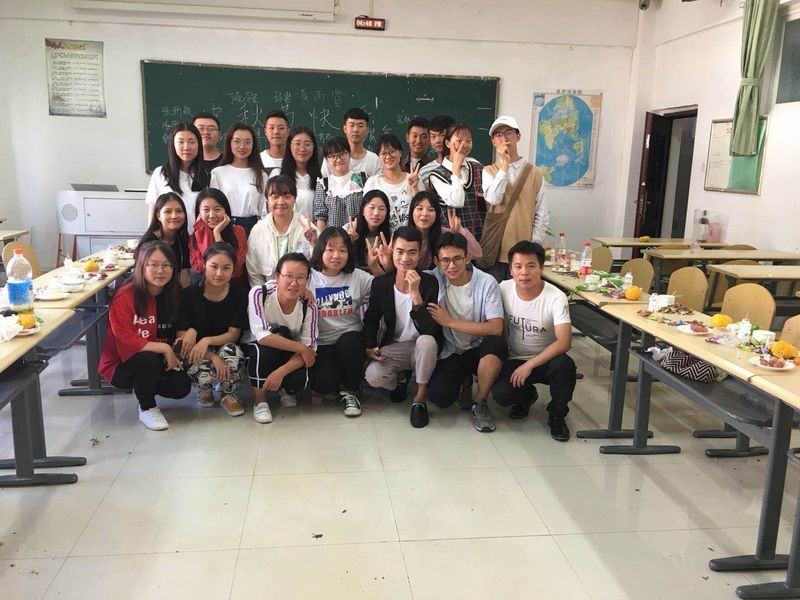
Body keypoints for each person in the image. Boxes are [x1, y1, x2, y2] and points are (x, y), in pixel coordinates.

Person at [98, 240, 191, 431]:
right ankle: (147, 406)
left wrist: (190, 332)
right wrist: (164, 348)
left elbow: (184, 323)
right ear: (142, 266)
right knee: (147, 359)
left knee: (180, 388)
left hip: (160, 359)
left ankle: (144, 386)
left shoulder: (174, 293)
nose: (160, 271)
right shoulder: (126, 296)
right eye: (153, 265)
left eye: (166, 265)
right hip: (122, 365)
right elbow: (124, 338)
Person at [491, 241, 576, 442]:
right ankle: (527, 395)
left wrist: (530, 364)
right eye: (518, 266)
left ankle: (557, 414)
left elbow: (564, 342)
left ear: (541, 268)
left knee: (565, 366)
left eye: (531, 266)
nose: (524, 272)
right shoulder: (503, 289)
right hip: (515, 358)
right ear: (510, 269)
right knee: (501, 395)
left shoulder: (556, 297)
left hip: (546, 360)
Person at [425, 232, 507, 432]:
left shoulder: (486, 282)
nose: (451, 266)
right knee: (439, 397)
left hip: (481, 348)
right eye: (445, 260)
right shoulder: (433, 278)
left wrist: (449, 322)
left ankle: (480, 401)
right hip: (453, 350)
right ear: (436, 261)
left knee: (495, 344)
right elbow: (404, 274)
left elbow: (496, 328)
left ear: (467, 257)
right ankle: (465, 383)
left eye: (457, 259)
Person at [363, 226, 442, 429]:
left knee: (426, 341)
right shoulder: (381, 284)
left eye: (412, 252)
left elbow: (429, 330)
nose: (405, 258)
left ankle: (419, 399)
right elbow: (371, 319)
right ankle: (400, 380)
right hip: (395, 347)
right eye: (400, 251)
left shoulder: (429, 282)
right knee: (373, 376)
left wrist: (416, 295)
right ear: (392, 251)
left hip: (422, 346)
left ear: (420, 253)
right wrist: (369, 346)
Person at [175, 243, 248, 417]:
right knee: (196, 361)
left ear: (233, 269)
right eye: (214, 266)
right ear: (204, 264)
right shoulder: (187, 295)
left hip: (224, 345)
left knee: (233, 352)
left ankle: (228, 393)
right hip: (197, 350)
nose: (219, 273)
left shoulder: (239, 295)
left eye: (226, 268)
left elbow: (233, 334)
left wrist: (207, 340)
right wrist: (213, 357)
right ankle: (204, 389)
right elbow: (182, 340)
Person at [245, 252, 318, 424]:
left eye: (300, 277)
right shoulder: (259, 293)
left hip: (289, 353)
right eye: (288, 276)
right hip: (260, 348)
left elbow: (310, 350)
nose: (294, 283)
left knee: (298, 380)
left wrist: (281, 372)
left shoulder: (309, 307)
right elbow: (262, 336)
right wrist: (301, 348)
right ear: (277, 276)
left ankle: (285, 389)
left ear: (307, 280)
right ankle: (260, 401)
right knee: (264, 351)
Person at [307, 228, 373, 417]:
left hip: (350, 338)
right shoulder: (309, 276)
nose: (336, 255)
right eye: (330, 249)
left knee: (351, 342)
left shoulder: (358, 276)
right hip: (321, 342)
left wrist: (375, 266)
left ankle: (351, 391)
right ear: (320, 250)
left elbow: (384, 287)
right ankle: (336, 381)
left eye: (342, 250)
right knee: (325, 383)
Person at [481, 116, 549, 281]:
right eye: (498, 135)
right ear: (493, 142)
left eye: (509, 133)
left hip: (523, 254)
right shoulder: (489, 171)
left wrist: (533, 247)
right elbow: (493, 198)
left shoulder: (535, 174)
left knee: (521, 295)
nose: (504, 138)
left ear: (518, 136)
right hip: (496, 250)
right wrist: (505, 164)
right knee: (495, 294)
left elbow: (541, 214)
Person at [246, 175, 317, 286]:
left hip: (302, 292)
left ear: (295, 198)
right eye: (275, 197)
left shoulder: (309, 229)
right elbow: (253, 273)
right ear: (267, 199)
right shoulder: (258, 230)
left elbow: (317, 270)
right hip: (267, 293)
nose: (281, 202)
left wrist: (314, 244)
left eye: (287, 196)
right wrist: (265, 294)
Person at [428, 122, 487, 241]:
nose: (464, 145)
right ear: (447, 143)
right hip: (453, 242)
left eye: (468, 140)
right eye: (459, 140)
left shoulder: (478, 168)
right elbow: (457, 201)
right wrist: (456, 169)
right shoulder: (436, 175)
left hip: (482, 240)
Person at [145, 122, 207, 229]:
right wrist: (151, 236)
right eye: (181, 142)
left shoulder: (207, 177)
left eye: (192, 142)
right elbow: (153, 210)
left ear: (199, 145)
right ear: (173, 145)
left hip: (197, 237)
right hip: (169, 237)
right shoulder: (160, 174)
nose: (186, 147)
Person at [210, 122, 266, 235]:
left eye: (247, 142)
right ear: (229, 143)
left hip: (254, 228)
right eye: (237, 141)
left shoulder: (261, 175)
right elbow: (214, 206)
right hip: (225, 226)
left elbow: (264, 210)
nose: (242, 146)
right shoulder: (218, 173)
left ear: (253, 145)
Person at [407, 191, 482, 270]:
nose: (425, 213)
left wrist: (459, 231)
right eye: (420, 208)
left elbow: (477, 254)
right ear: (412, 212)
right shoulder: (403, 237)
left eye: (431, 210)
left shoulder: (444, 234)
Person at [189, 188, 248, 288]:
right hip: (204, 287)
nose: (212, 215)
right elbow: (199, 268)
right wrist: (203, 233)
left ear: (225, 211)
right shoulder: (195, 236)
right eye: (206, 210)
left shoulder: (238, 231)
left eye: (217, 209)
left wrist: (217, 235)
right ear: (199, 213)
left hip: (233, 285)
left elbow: (236, 268)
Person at [364, 134, 424, 232]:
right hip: (382, 236)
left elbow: (422, 209)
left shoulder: (414, 179)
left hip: (409, 236)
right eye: (383, 153)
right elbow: (367, 212)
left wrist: (414, 188)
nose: (388, 156)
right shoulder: (372, 182)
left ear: (400, 153)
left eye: (392, 151)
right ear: (378, 157)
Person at [138, 192, 191, 288]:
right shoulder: (149, 242)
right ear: (158, 215)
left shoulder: (182, 239)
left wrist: (187, 295)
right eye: (168, 211)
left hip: (174, 292)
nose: (174, 216)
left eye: (179, 211)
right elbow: (141, 277)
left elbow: (185, 274)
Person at [313, 136, 366, 230]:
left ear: (349, 154)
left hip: (358, 235)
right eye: (333, 156)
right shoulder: (323, 184)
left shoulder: (362, 178)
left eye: (342, 154)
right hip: (332, 237)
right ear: (327, 159)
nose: (338, 159)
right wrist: (321, 238)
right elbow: (321, 218)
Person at [270, 125, 321, 221]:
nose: (302, 148)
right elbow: (270, 208)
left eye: (307, 144)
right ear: (290, 146)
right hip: (284, 228)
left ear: (313, 147)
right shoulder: (277, 174)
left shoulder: (321, 177)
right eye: (297, 144)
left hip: (312, 228)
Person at [321, 107, 381, 177]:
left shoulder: (374, 160)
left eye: (360, 126)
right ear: (345, 128)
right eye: (351, 125)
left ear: (367, 130)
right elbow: (325, 180)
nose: (355, 130)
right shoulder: (332, 157)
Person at [348, 190, 392, 276]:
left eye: (381, 209)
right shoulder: (349, 229)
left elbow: (390, 273)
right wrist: (349, 241)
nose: (376, 213)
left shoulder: (390, 234)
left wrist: (388, 264)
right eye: (372, 207)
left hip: (378, 278)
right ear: (363, 210)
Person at [419, 114, 455, 189]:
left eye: (442, 135)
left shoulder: (467, 166)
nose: (437, 141)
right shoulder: (424, 172)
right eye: (433, 136)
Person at [193, 112, 223, 178]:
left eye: (212, 129)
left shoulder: (228, 162)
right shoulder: (185, 163)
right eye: (201, 128)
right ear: (192, 133)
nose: (206, 132)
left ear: (219, 135)